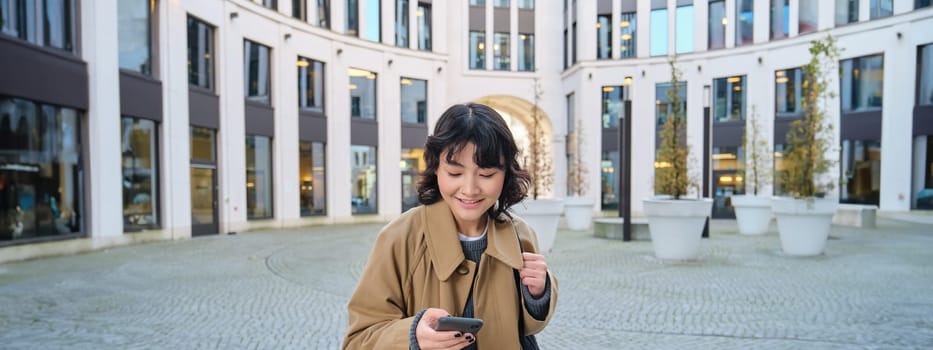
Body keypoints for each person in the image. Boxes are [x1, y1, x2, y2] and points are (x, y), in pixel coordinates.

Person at [343, 103, 558, 349]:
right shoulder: (399, 237)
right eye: (455, 173)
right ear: (435, 168)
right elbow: (358, 339)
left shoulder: (520, 234)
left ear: (506, 173)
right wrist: (412, 337)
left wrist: (538, 295)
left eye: (486, 174)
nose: (469, 189)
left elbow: (528, 328)